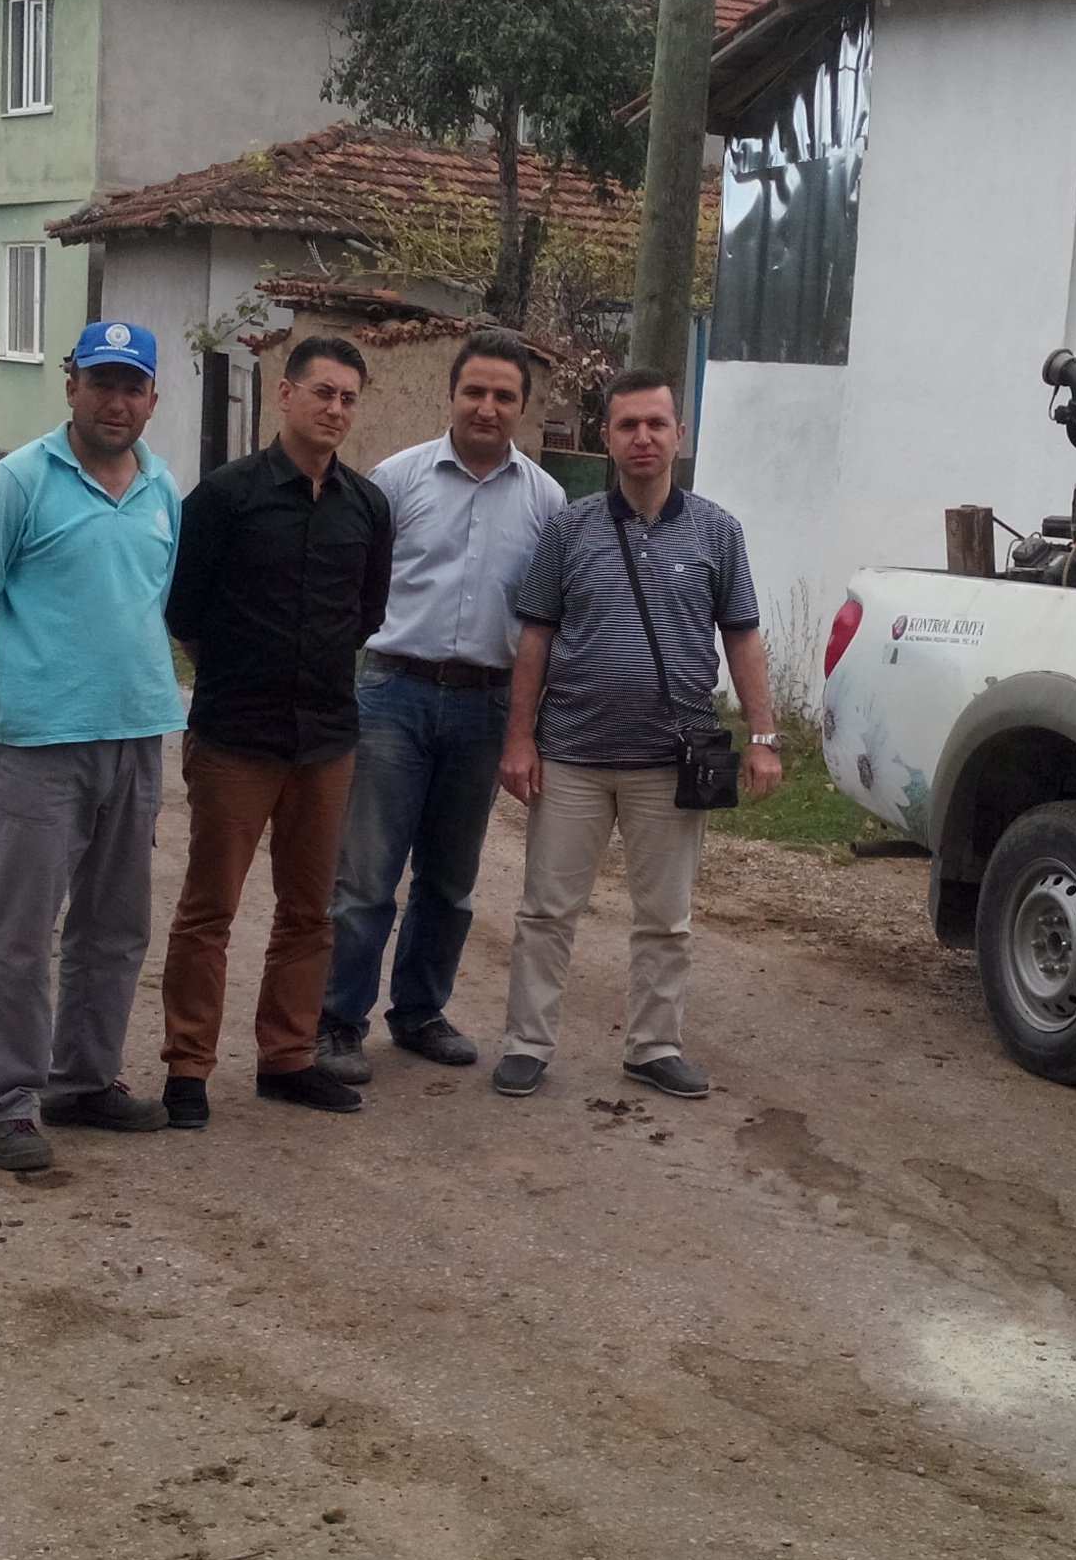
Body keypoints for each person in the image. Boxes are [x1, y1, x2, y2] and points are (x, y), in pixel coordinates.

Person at [0, 321, 185, 1175]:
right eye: (102, 382)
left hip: (136, 737)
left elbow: (151, 600)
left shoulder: (161, 490)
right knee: (21, 934)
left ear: (154, 399)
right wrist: (11, 692)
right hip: (40, 748)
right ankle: (5, 1103)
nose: (117, 401)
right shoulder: (16, 484)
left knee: (115, 928)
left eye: (133, 386)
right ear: (71, 384)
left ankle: (83, 1077)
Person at [494, 367, 781, 1102]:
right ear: (607, 439)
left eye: (657, 424)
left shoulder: (720, 531)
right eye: (628, 426)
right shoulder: (569, 528)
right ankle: (527, 1042)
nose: (643, 438)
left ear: (679, 436)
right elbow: (535, 639)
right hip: (573, 756)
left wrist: (764, 735)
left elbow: (743, 637)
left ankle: (654, 1046)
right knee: (546, 911)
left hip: (669, 762)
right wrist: (519, 740)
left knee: (666, 919)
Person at [312, 329, 566, 1081]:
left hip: (486, 707)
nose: (487, 408)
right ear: (450, 396)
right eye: (474, 392)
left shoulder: (547, 501)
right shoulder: (397, 480)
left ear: (521, 407)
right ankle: (335, 1022)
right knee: (364, 877)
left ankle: (420, 1012)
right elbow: (349, 584)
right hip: (394, 693)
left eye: (504, 396)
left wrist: (528, 726)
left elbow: (544, 623)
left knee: (451, 879)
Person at [158, 334, 395, 1126]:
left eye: (348, 398)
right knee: (208, 910)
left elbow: (364, 617)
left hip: (326, 742)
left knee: (309, 910)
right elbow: (184, 611)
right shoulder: (225, 498)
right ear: (284, 396)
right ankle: (187, 1068)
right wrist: (240, 672)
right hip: (235, 738)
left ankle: (287, 1057)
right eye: (322, 392)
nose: (334, 408)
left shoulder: (368, 508)